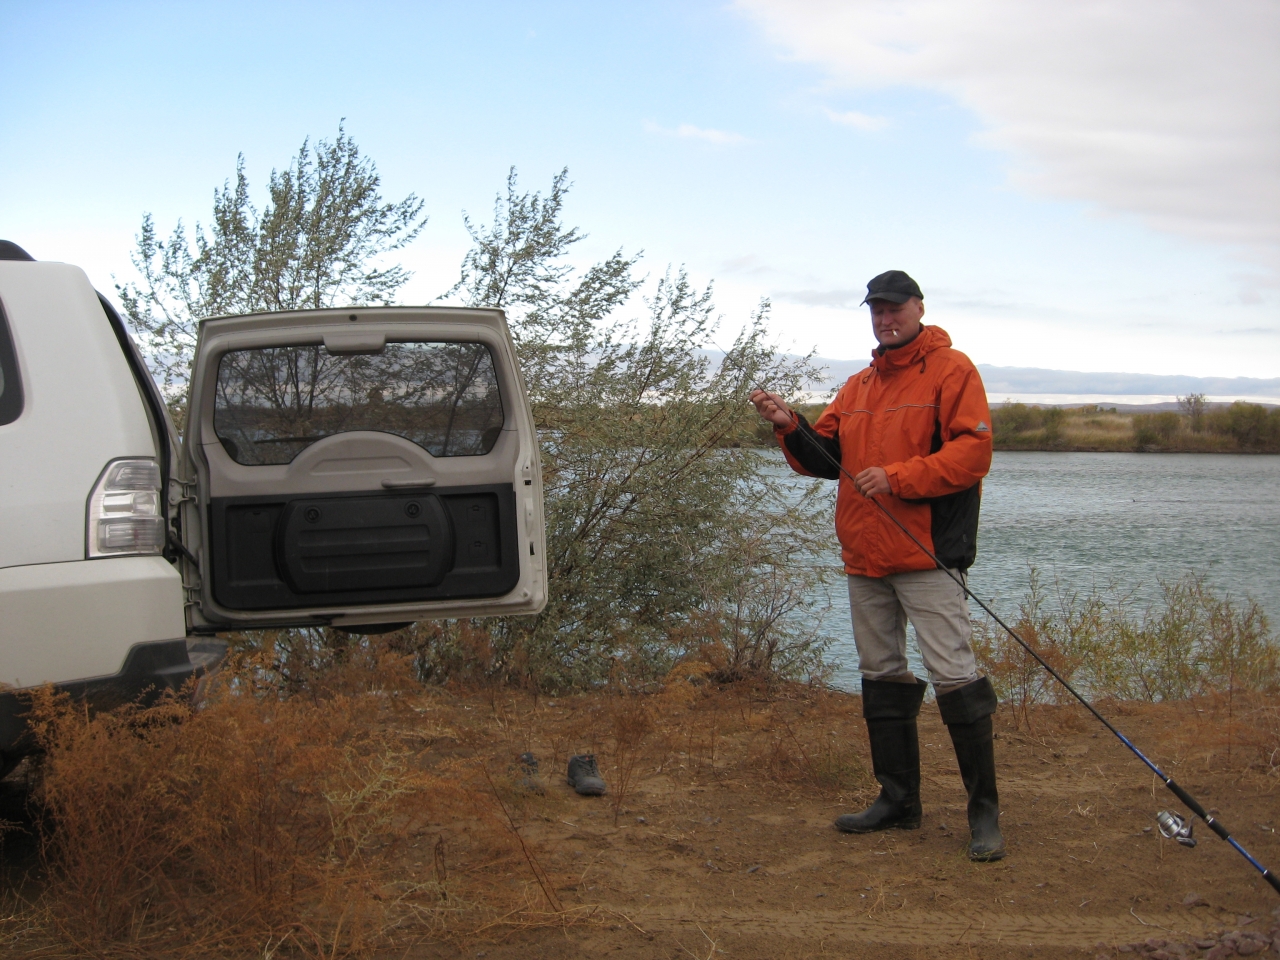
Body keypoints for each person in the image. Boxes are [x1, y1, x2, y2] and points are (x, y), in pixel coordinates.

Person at [750, 269, 1004, 862]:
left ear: (919, 308)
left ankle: (984, 814)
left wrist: (897, 477)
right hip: (866, 557)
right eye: (877, 311)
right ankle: (898, 801)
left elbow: (973, 453)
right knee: (881, 674)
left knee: (956, 676)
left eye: (895, 308)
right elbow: (826, 458)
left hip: (928, 553)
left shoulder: (953, 370)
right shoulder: (858, 385)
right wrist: (790, 426)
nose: (885, 319)